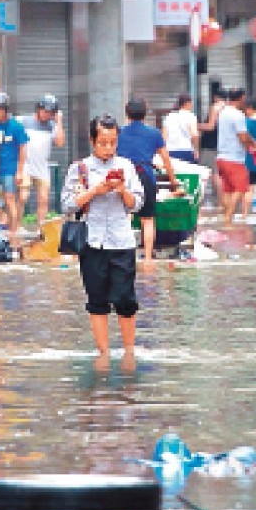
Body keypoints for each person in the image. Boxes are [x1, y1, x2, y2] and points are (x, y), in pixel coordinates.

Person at [62, 115, 144, 359]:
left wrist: (121, 190)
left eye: (113, 142)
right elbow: (67, 205)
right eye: (103, 143)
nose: (108, 148)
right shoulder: (80, 169)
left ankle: (129, 352)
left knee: (126, 299)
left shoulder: (127, 166)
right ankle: (104, 353)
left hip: (122, 241)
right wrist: (95, 191)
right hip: (92, 241)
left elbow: (137, 204)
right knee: (96, 299)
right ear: (92, 141)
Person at [118, 98, 178, 262]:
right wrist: (173, 181)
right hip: (145, 175)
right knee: (148, 219)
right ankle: (148, 258)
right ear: (145, 114)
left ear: (127, 113)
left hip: (124, 177)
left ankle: (125, 255)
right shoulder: (154, 134)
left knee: (125, 216)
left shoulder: (118, 132)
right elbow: (166, 159)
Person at [21, 95, 65, 225]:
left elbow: (60, 142)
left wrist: (59, 122)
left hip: (42, 166)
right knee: (23, 197)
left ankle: (41, 229)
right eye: (45, 111)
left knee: (43, 199)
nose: (47, 115)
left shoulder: (52, 126)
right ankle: (17, 225)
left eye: (51, 113)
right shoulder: (23, 121)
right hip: (25, 166)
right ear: (38, 109)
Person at [0, 93, 30, 238]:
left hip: (9, 168)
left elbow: (23, 148)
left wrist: (19, 171)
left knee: (10, 200)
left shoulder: (16, 127)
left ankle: (13, 233)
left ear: (6, 109)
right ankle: (1, 215)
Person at [214, 89, 253, 223]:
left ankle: (227, 218)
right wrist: (253, 144)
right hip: (234, 158)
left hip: (221, 157)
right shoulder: (237, 115)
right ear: (241, 98)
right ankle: (228, 217)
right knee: (240, 188)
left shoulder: (223, 112)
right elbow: (242, 136)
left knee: (228, 189)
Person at [163, 94, 200, 164]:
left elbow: (164, 137)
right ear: (187, 103)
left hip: (171, 151)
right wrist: (196, 150)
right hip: (187, 151)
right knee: (188, 174)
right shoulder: (190, 116)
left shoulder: (169, 116)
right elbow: (195, 135)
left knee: (174, 174)